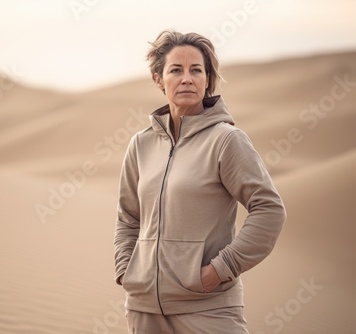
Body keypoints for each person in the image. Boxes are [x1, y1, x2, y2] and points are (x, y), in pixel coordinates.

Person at [113, 30, 286, 334]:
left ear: (208, 80)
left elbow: (269, 210)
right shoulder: (140, 145)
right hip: (144, 309)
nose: (187, 79)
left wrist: (221, 269)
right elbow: (128, 217)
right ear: (158, 79)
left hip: (208, 307)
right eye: (175, 70)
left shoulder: (226, 141)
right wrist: (127, 270)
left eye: (196, 70)